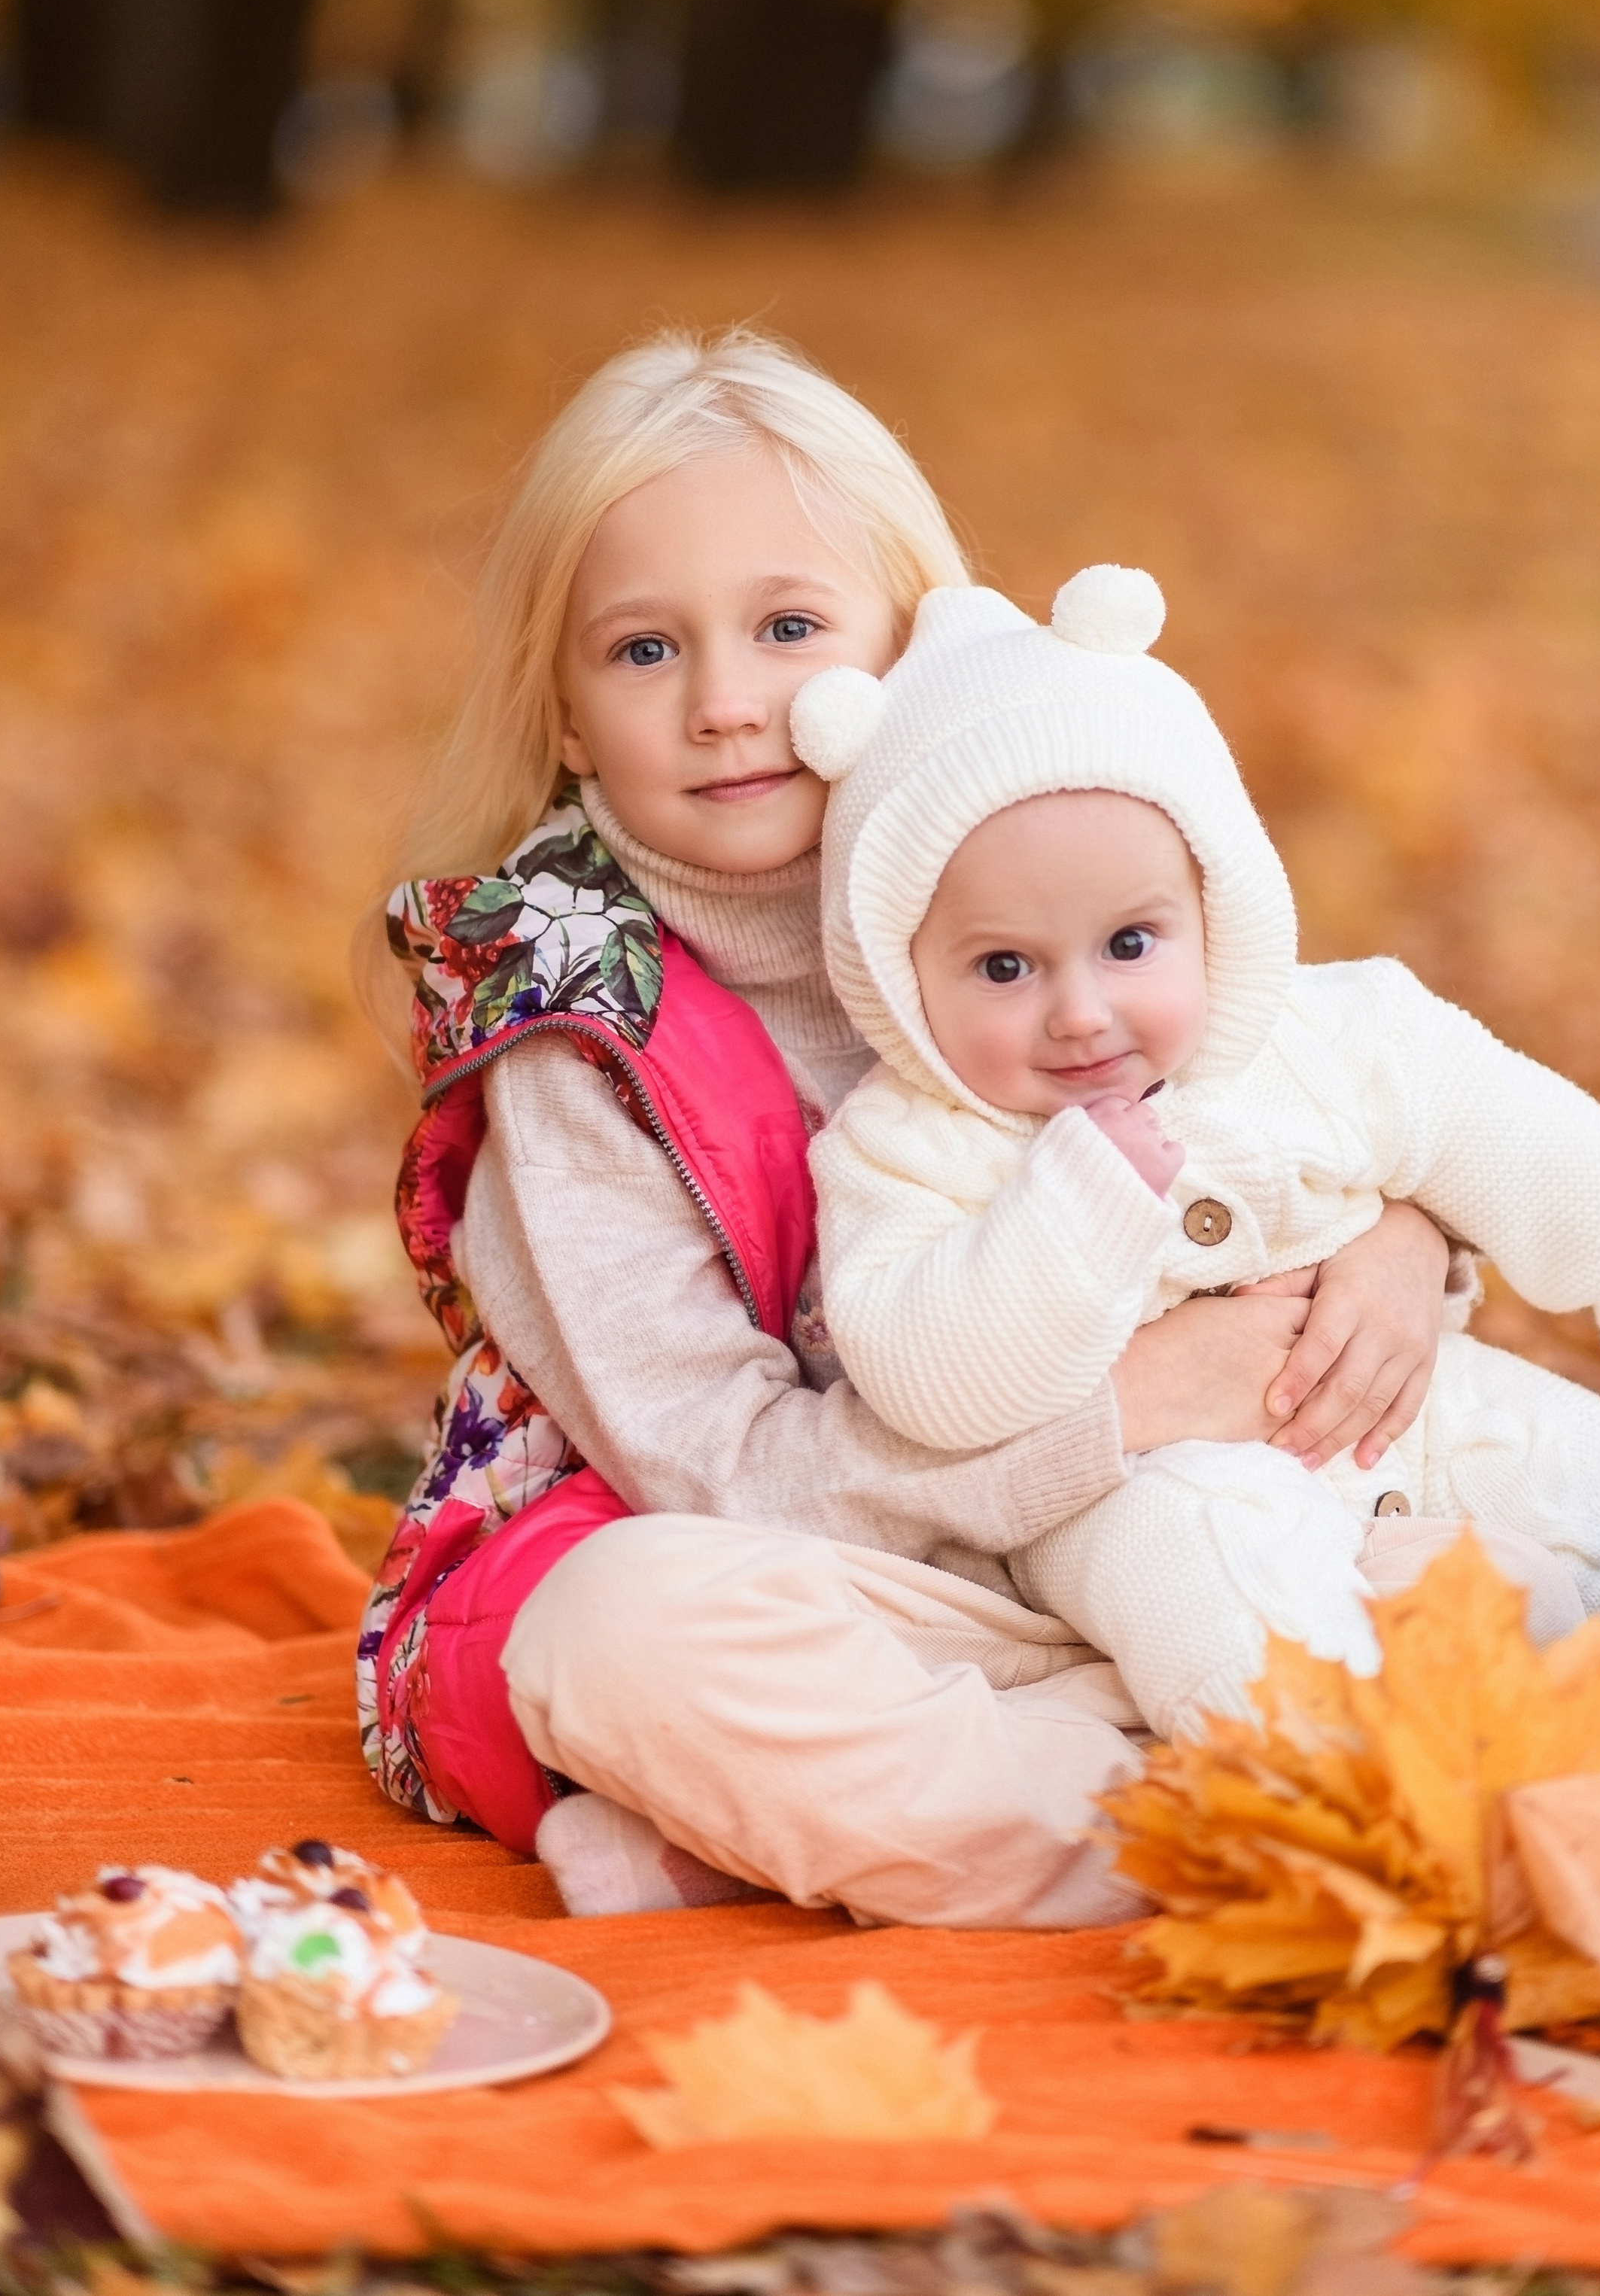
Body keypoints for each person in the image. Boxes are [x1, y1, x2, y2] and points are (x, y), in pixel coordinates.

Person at [358, 332, 1461, 1931]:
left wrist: (1398, 1242)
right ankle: (1223, 1826)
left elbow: (1299, 1090)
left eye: (790, 629)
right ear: (569, 713)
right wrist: (1115, 1421)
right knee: (623, 1642)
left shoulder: (1032, 848)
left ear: (909, 649)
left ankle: (907, 1805)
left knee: (1471, 1560)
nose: (729, 704)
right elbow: (723, 1478)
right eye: (645, 652)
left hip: (1100, 1545)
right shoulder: (574, 1027)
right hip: (785, 1558)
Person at [798, 567, 1600, 1740]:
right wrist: (1070, 1210)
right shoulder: (908, 1145)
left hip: (1400, 1416)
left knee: (1580, 1466)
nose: (1081, 1011)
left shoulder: (1319, 1033)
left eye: (1129, 943)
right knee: (1204, 1573)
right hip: (1140, 1480)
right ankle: (1344, 1787)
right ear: (905, 980)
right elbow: (925, 1369)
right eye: (1005, 966)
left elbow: (1504, 1121)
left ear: (1214, 907)